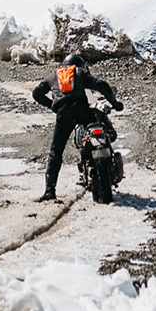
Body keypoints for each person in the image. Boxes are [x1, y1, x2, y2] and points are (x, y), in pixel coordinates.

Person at [33, 53, 124, 201]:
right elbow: (101, 85)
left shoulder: (53, 75)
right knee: (99, 126)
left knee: (56, 152)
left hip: (64, 113)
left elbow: (36, 93)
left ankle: (50, 191)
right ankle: (107, 152)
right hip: (81, 108)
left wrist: (53, 105)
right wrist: (115, 103)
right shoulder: (79, 72)